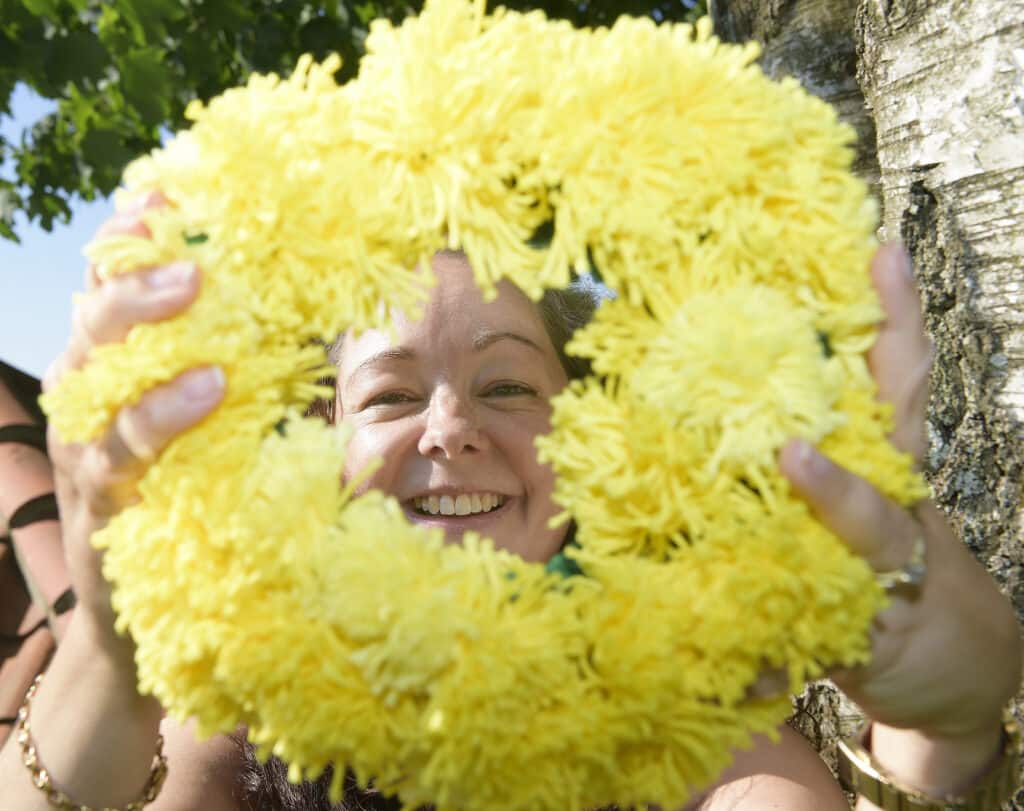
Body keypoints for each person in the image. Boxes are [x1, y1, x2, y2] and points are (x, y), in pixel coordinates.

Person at [0, 193, 1020, 810]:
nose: (448, 428)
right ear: (322, 448)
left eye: (507, 386)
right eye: (391, 394)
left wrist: (939, 746)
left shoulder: (671, 695)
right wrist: (110, 650)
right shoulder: (248, 690)